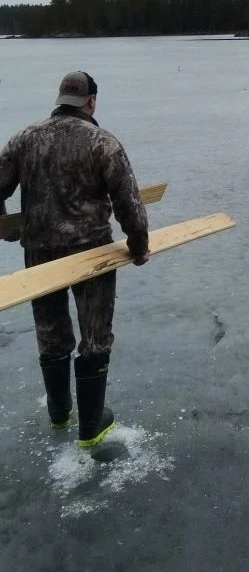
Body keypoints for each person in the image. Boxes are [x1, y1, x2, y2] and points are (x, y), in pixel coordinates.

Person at [0, 71, 150, 448]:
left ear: (60, 100)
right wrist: (138, 245)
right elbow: (128, 203)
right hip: (91, 254)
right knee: (95, 336)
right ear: (91, 102)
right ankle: (91, 425)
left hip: (40, 253)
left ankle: (59, 412)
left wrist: (5, 228)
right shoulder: (103, 143)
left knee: (51, 334)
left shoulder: (25, 139)